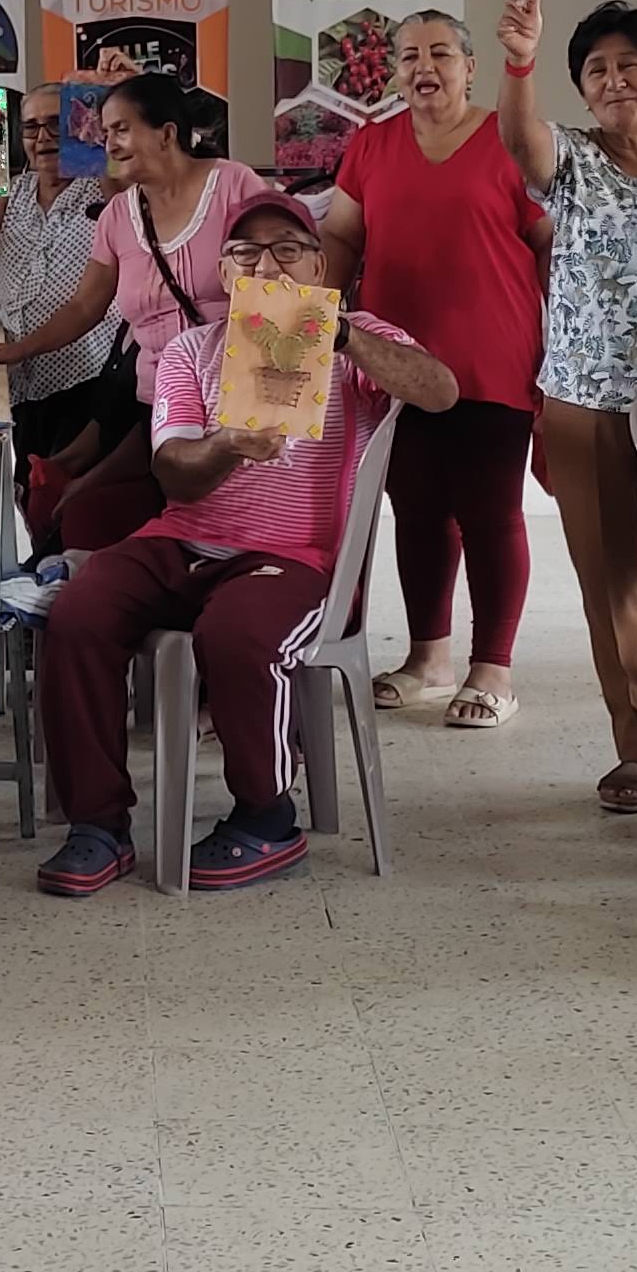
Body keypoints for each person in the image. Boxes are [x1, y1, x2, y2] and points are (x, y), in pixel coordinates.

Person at [35, 192, 460, 895]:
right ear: (226, 274)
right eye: (247, 253)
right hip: (184, 538)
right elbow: (173, 470)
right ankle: (98, 825)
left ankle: (268, 817)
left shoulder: (357, 338)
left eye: (288, 250)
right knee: (78, 613)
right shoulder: (192, 350)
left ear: (320, 266)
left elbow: (440, 392)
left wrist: (339, 335)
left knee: (237, 633)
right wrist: (225, 446)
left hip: (298, 559)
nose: (268, 266)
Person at [498, 0, 637, 816]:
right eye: (596, 69)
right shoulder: (571, 160)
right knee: (609, 583)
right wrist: (519, 60)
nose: (615, 80)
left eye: (631, 64)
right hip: (581, 400)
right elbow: (519, 140)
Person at [318, 12, 549, 733]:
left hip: (493, 356)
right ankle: (428, 659)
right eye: (410, 55)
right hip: (394, 360)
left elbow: (549, 245)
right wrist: (312, 315)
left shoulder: (510, 142)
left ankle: (494, 669)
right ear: (393, 71)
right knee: (415, 508)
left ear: (471, 67)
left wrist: (560, 348)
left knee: (490, 510)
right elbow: (342, 236)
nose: (425, 67)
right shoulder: (372, 144)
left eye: (442, 53)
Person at [0, 73, 275, 554]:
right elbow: (86, 305)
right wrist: (15, 350)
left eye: (120, 130)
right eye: (103, 133)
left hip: (238, 404)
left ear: (167, 134)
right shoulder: (118, 215)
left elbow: (290, 280)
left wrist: (277, 402)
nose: (108, 144)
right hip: (157, 408)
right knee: (82, 514)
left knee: (214, 531)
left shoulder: (233, 184)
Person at [0, 95, 129, 527]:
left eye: (56, 124)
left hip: (86, 374)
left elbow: (123, 203)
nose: (43, 138)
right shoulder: (13, 191)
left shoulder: (105, 188)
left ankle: (62, 560)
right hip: (22, 377)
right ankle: (37, 560)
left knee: (70, 499)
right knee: (30, 487)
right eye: (30, 127)